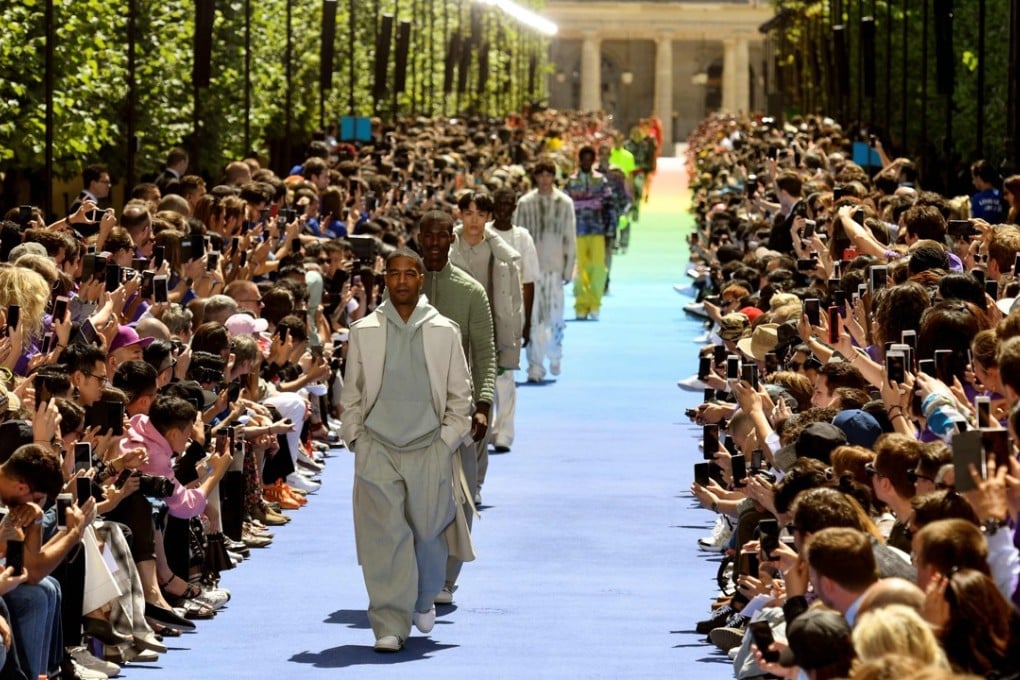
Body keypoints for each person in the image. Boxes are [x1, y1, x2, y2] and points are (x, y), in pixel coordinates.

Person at [340, 247, 472, 652]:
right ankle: (389, 623)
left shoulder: (444, 330)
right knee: (385, 536)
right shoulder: (365, 330)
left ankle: (423, 596)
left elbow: (460, 395)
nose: (401, 280)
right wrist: (356, 438)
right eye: (394, 273)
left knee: (428, 533)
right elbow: (352, 393)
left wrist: (446, 441)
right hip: (377, 445)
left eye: (409, 273)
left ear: (420, 279)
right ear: (386, 279)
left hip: (429, 446)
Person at [418, 210, 496, 605]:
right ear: (419, 239)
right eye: (428, 237)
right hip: (408, 411)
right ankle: (412, 572)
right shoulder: (401, 285)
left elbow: (485, 353)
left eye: (441, 236)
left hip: (457, 411)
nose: (434, 244)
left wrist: (483, 403)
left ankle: (447, 578)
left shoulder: (470, 291)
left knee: (459, 496)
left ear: (452, 238)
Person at [450, 190, 523, 483]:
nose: (474, 221)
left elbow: (513, 304)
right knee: (452, 409)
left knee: (482, 408)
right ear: (460, 214)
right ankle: (452, 477)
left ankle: (475, 480)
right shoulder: (445, 247)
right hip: (451, 338)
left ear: (489, 217)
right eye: (468, 213)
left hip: (486, 339)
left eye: (480, 214)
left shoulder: (501, 255)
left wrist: (511, 343)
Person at [513, 158, 576, 382]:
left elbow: (570, 236)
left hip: (555, 268)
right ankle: (535, 366)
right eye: (541, 175)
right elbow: (516, 237)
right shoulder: (525, 203)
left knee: (555, 316)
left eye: (548, 175)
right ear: (536, 177)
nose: (545, 179)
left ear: (553, 176)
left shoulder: (564, 203)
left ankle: (555, 354)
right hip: (531, 269)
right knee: (534, 318)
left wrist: (569, 268)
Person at [488, 187, 539, 453]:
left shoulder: (523, 238)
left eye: (508, 204)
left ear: (514, 207)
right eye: (499, 204)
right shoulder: (482, 235)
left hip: (512, 315)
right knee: (484, 374)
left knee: (506, 374)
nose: (504, 209)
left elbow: (529, 281)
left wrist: (527, 323)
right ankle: (487, 426)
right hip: (484, 312)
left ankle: (504, 432)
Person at [564, 145, 616, 320]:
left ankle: (595, 304)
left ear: (593, 161)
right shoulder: (571, 182)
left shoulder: (601, 181)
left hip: (597, 230)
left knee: (598, 268)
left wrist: (611, 230)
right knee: (580, 269)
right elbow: (564, 208)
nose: (586, 162)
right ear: (579, 160)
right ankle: (581, 304)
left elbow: (610, 206)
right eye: (583, 159)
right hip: (577, 231)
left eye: (589, 159)